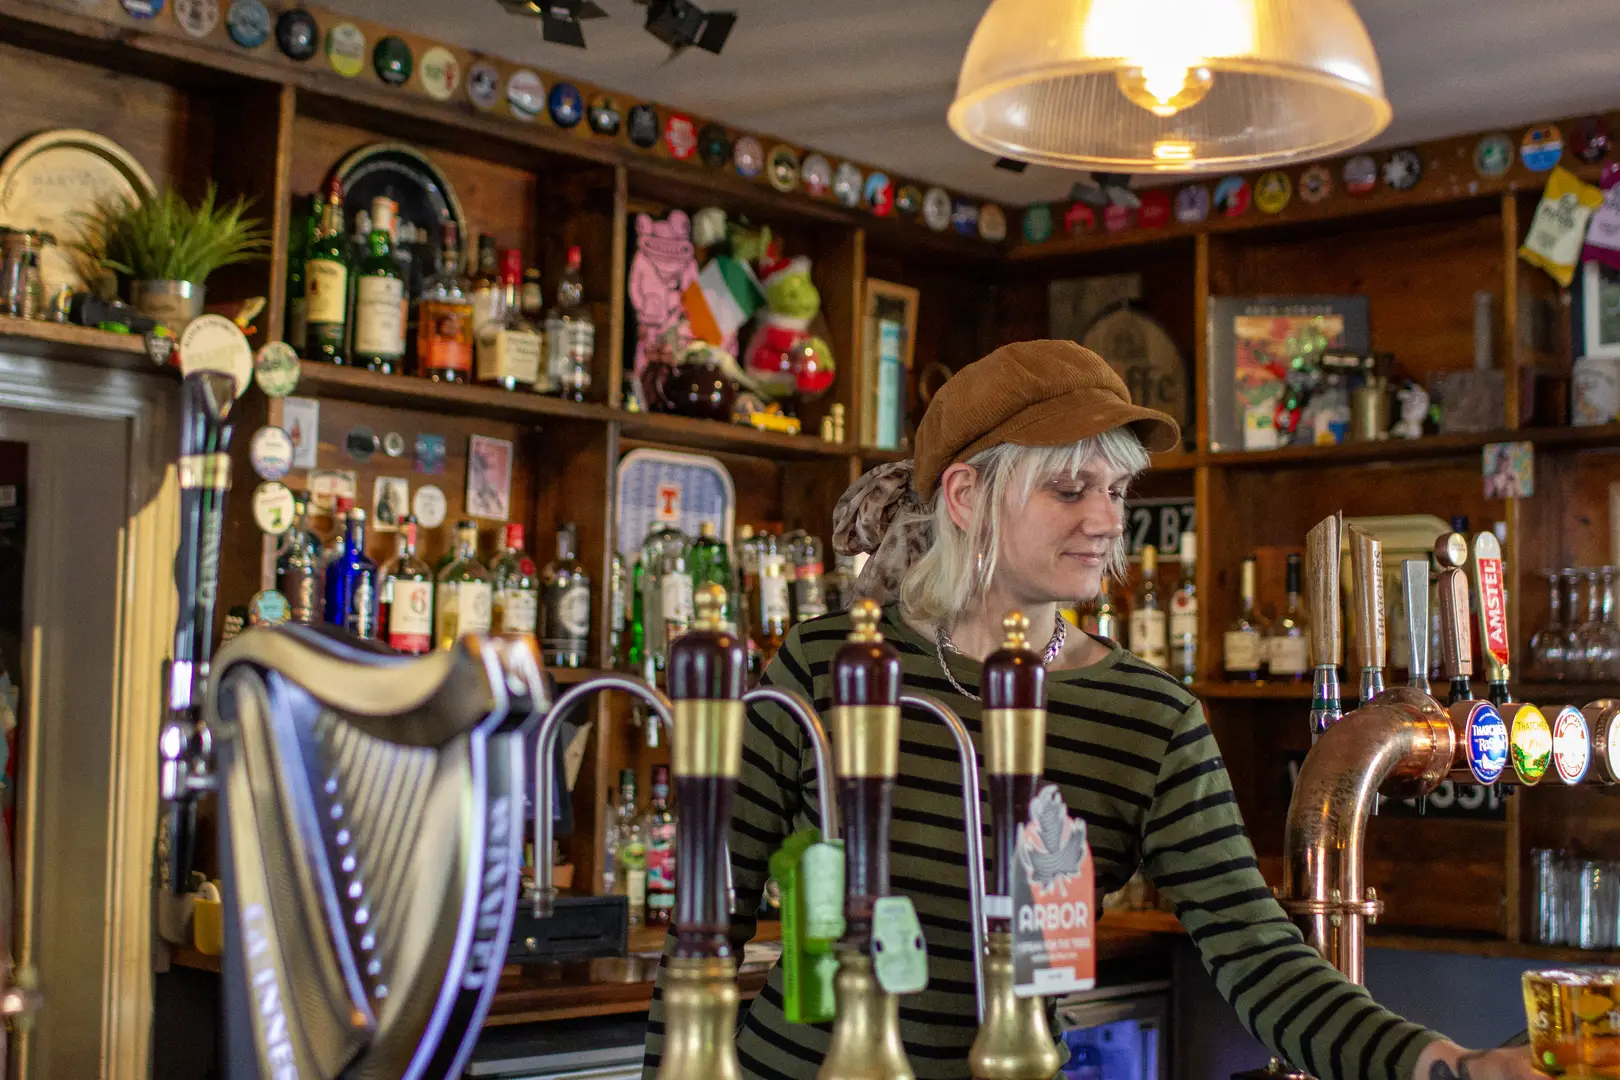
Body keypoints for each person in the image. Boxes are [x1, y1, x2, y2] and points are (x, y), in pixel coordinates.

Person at [641, 340, 1537, 1080]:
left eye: (1116, 490)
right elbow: (703, 921)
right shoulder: (831, 663)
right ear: (966, 496)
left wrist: (1446, 1064)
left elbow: (1260, 958)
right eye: (1070, 489)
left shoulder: (1149, 718)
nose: (1105, 520)